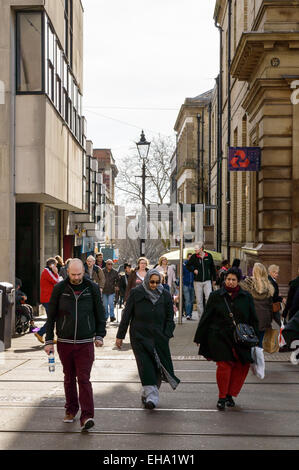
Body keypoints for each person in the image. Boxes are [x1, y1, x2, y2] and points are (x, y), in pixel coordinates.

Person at [44, 259, 106, 432]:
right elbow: (51, 317)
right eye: (73, 274)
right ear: (67, 272)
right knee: (69, 377)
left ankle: (87, 416)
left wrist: (100, 335)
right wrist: (49, 341)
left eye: (79, 274)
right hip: (64, 341)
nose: (76, 277)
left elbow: (100, 313)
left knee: (84, 379)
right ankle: (71, 410)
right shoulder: (60, 288)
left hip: (85, 342)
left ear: (83, 272)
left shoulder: (92, 288)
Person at [194, 267, 259, 410]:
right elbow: (206, 317)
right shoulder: (216, 296)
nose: (230, 282)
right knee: (224, 365)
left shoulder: (246, 296)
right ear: (225, 280)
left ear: (238, 281)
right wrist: (199, 336)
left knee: (242, 365)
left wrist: (257, 338)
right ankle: (222, 397)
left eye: (233, 280)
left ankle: (230, 394)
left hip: (242, 338)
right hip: (219, 336)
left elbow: (253, 318)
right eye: (228, 279)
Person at [115, 269, 180, 409]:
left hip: (159, 337)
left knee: (158, 367)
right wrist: (120, 336)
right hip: (139, 336)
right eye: (152, 282)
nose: (154, 285)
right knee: (145, 365)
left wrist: (167, 334)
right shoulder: (136, 293)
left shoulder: (165, 295)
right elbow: (126, 316)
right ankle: (152, 397)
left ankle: (147, 392)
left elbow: (170, 318)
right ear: (147, 280)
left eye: (157, 282)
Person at [240, 263, 274, 348]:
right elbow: (270, 307)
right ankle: (259, 359)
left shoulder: (247, 284)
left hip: (251, 318)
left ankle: (252, 359)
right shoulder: (268, 286)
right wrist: (270, 320)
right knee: (259, 344)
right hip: (264, 318)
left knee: (250, 342)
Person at [186, 243, 216, 318]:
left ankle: (208, 315)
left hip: (207, 281)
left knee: (208, 298)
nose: (195, 250)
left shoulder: (208, 256)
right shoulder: (194, 257)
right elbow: (188, 265)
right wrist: (193, 270)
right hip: (197, 282)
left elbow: (212, 268)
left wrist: (214, 279)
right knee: (199, 301)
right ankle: (201, 317)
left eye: (196, 248)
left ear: (201, 249)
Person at [35, 258, 60, 344]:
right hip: (48, 299)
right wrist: (56, 273)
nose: (56, 267)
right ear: (51, 265)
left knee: (51, 318)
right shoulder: (47, 271)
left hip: (48, 298)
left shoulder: (48, 272)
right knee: (53, 318)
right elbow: (56, 281)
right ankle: (40, 333)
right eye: (55, 265)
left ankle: (48, 337)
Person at [183, 253, 195, 320]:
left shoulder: (194, 265)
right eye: (189, 257)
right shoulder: (184, 264)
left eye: (191, 257)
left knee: (192, 300)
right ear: (187, 258)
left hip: (193, 284)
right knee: (187, 300)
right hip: (186, 284)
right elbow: (181, 273)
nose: (190, 258)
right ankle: (188, 314)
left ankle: (190, 314)